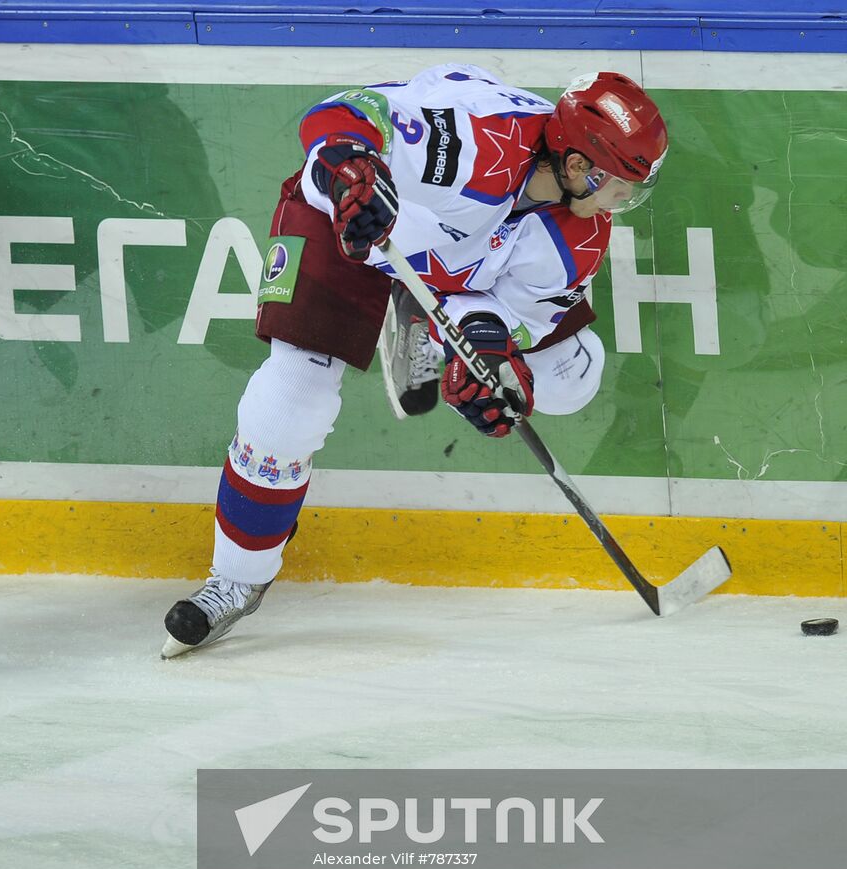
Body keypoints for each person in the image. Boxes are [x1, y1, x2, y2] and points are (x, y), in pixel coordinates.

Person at [161, 64, 668, 657]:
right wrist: (351, 167)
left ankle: (431, 326)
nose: (625, 199)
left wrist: (485, 341)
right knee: (287, 404)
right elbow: (341, 113)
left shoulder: (580, 235)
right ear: (580, 165)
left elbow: (529, 316)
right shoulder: (475, 142)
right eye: (622, 183)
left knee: (570, 375)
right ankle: (237, 579)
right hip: (346, 227)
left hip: (453, 277)